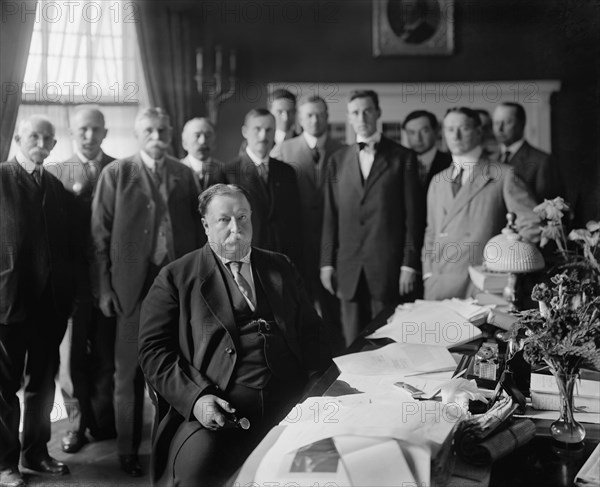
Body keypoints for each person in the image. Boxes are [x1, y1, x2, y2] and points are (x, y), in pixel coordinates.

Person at [138, 184, 331, 486]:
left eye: (243, 218)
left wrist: (319, 386)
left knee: (331, 465)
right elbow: (153, 352)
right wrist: (198, 398)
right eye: (224, 220)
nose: (236, 228)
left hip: (292, 399)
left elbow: (312, 333)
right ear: (205, 226)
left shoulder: (280, 266)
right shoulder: (176, 277)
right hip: (220, 405)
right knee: (195, 476)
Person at [91, 107, 203, 477]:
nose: (157, 136)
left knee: (175, 368)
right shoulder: (117, 173)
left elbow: (199, 230)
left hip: (176, 288)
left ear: (170, 133)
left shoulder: (184, 174)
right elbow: (100, 237)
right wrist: (105, 288)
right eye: (149, 131)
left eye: (162, 130)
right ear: (138, 135)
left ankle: (170, 446)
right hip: (130, 289)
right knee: (128, 373)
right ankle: (127, 449)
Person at [0, 115, 74, 487]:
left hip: (49, 308)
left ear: (54, 145)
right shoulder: (1, 178)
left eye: (48, 138)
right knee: (3, 388)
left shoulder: (56, 187)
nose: (41, 142)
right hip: (7, 305)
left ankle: (36, 452)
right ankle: (5, 463)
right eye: (34, 136)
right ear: (17, 138)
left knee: (43, 386)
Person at [320, 90, 424, 346]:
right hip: (348, 269)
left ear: (378, 112)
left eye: (367, 110)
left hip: (388, 270)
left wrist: (409, 264)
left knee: (389, 345)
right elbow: (330, 217)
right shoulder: (337, 160)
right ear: (349, 118)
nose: (362, 117)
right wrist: (326, 263)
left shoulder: (403, 158)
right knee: (352, 345)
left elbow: (414, 218)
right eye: (355, 112)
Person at [51, 107, 117, 455]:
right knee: (72, 358)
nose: (89, 136)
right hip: (73, 284)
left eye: (95, 130)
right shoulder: (56, 172)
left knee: (108, 357)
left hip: (111, 282)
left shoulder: (122, 169)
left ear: (105, 133)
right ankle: (76, 425)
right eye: (82, 130)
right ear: (72, 132)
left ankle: (104, 421)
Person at [423, 107, 540, 300]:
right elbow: (431, 232)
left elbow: (532, 226)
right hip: (439, 285)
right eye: (450, 129)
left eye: (463, 128)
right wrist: (428, 273)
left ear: (479, 131)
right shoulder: (438, 181)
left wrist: (502, 270)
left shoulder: (503, 175)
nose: (456, 135)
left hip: (479, 286)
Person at [279, 95, 346, 353]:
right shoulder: (285, 150)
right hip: (297, 243)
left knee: (334, 311)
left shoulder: (344, 150)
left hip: (334, 245)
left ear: (327, 117)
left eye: (320, 114)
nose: (315, 120)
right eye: (309, 115)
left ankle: (338, 359)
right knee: (299, 306)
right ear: (300, 118)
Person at [225, 108, 303, 269]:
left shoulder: (287, 172)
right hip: (243, 261)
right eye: (257, 129)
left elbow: (296, 220)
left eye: (269, 130)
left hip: (283, 260)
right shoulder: (227, 172)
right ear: (245, 132)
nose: (263, 136)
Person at [492, 102, 561, 202]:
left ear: (522, 124)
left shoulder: (541, 161)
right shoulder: (490, 159)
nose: (500, 129)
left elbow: (548, 208)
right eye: (496, 123)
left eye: (507, 122)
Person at [402, 110, 452, 189]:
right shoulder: (399, 164)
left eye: (424, 131)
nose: (418, 138)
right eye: (411, 133)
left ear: (436, 131)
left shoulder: (451, 163)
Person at [180, 117, 226, 192]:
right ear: (184, 143)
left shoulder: (224, 171)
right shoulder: (174, 171)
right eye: (197, 136)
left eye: (208, 136)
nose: (203, 141)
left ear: (214, 143)